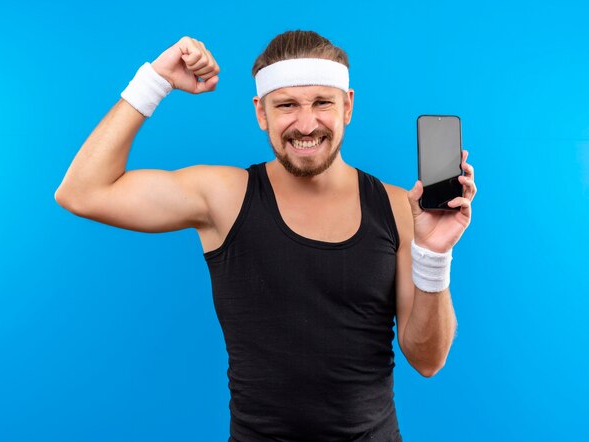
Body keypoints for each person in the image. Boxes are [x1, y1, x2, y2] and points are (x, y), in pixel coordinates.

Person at [55, 30, 477, 442]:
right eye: (287, 104)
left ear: (347, 106)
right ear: (261, 113)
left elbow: (428, 359)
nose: (306, 123)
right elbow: (82, 192)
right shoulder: (224, 198)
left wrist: (434, 255)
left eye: (322, 103)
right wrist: (155, 80)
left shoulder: (399, 209)